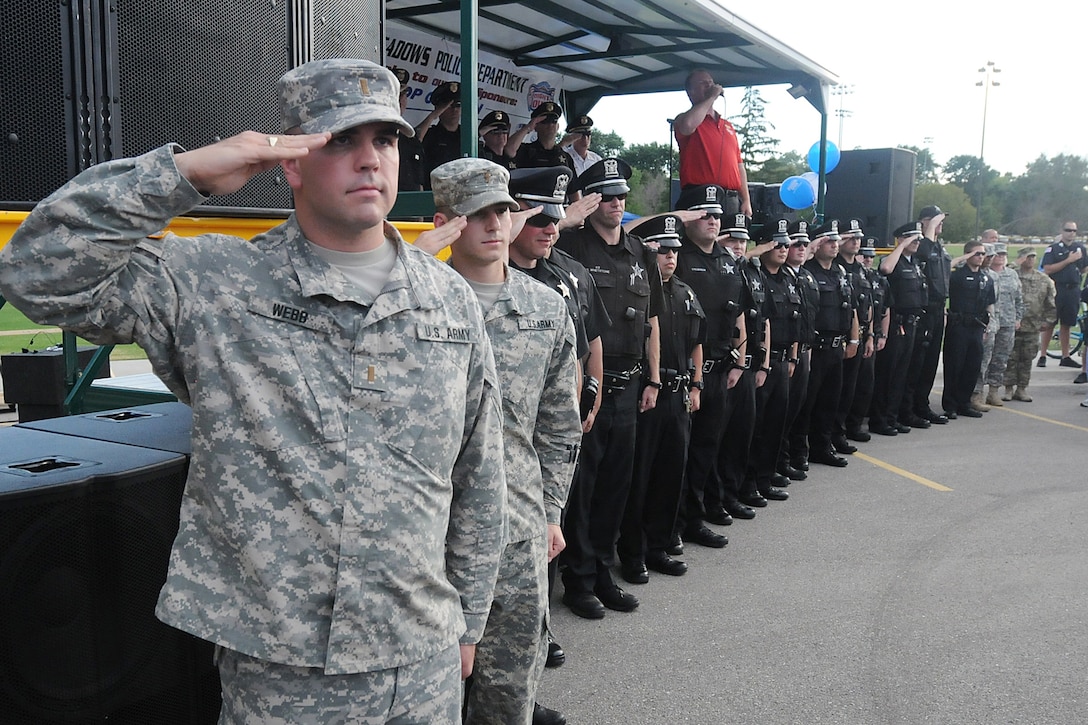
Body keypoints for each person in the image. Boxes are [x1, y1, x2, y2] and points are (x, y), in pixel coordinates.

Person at [0, 59, 507, 723]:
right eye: (340, 140)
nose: (369, 160)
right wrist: (183, 174)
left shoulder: (447, 300)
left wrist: (468, 622)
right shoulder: (216, 281)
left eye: (383, 139)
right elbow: (36, 272)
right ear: (290, 162)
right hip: (283, 677)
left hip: (423, 665)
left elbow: (479, 472)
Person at [431, 158, 582, 725]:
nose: (495, 225)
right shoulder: (419, 301)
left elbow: (558, 423)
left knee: (510, 688)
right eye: (478, 214)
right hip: (431, 532)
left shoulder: (545, 308)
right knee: (431, 691)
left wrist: (551, 510)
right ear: (448, 222)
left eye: (504, 211)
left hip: (517, 530)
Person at [555, 158, 662, 619]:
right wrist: (565, 217)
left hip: (631, 385)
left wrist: (655, 378)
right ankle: (577, 580)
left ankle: (601, 569)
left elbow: (653, 319)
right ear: (589, 200)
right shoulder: (570, 243)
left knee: (616, 486)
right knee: (583, 486)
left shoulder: (641, 252)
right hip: (587, 385)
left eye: (620, 196)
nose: (616, 203)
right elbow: (521, 241)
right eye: (606, 196)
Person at [618, 214, 704, 583]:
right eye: (662, 250)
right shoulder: (640, 290)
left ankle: (660, 544)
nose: (670, 257)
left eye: (674, 250)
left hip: (679, 394)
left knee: (672, 474)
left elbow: (698, 341)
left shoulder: (685, 292)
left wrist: (697, 385)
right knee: (642, 477)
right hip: (648, 394)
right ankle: (633, 552)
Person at [674, 184, 750, 536]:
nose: (713, 220)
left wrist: (739, 361)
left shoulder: (727, 262)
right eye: (703, 214)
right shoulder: (677, 258)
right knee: (677, 454)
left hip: (720, 370)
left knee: (707, 447)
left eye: (717, 214)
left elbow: (739, 314)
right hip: (685, 372)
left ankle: (695, 516)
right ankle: (671, 523)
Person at [746, 218, 802, 498]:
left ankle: (765, 478)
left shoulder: (789, 279)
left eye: (785, 244)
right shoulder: (753, 275)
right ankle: (750, 482)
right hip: (762, 363)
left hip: (782, 361)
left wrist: (792, 358)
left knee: (775, 424)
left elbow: (795, 322)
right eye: (777, 244)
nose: (783, 249)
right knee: (755, 427)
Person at [798, 220, 859, 467]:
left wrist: (853, 338)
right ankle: (800, 450)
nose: (835, 245)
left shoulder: (840, 272)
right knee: (807, 402)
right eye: (829, 241)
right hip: (816, 347)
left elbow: (852, 307)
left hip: (837, 346)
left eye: (836, 241)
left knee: (830, 401)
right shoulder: (807, 271)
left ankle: (823, 446)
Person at [870, 222, 927, 436]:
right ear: (902, 239)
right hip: (895, 323)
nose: (917, 242)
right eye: (913, 238)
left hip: (912, 323)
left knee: (902, 374)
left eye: (919, 238)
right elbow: (885, 269)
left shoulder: (915, 264)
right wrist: (901, 246)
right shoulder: (893, 259)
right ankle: (880, 418)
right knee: (888, 373)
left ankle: (892, 417)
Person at [672, 68, 752, 217]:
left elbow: (739, 166)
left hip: (730, 198)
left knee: (729, 239)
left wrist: (746, 200)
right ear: (691, 92)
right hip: (700, 195)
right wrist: (711, 97)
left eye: (711, 82)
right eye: (703, 83)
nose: (710, 86)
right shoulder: (684, 119)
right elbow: (688, 125)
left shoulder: (727, 126)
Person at [903, 205, 952, 426]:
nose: (940, 224)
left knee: (931, 361)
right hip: (923, 308)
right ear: (925, 222)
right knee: (918, 362)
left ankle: (922, 405)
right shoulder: (921, 244)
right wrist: (929, 228)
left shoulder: (938, 246)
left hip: (937, 307)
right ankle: (909, 408)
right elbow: (922, 255)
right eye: (936, 221)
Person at [831, 218, 873, 454]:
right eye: (851, 237)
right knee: (836, 391)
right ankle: (832, 435)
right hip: (841, 337)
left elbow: (867, 305)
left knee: (852, 389)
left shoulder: (860, 269)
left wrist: (868, 336)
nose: (856, 242)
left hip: (859, 336)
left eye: (858, 237)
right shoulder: (834, 266)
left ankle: (843, 431)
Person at [941, 241, 996, 418]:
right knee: (954, 366)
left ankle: (964, 403)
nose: (981, 257)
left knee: (972, 367)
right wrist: (964, 258)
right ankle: (950, 405)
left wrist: (989, 325)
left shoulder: (986, 278)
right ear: (968, 255)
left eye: (983, 254)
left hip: (977, 327)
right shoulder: (957, 276)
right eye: (977, 253)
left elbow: (989, 303)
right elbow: (945, 268)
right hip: (959, 326)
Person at [846, 240, 887, 441]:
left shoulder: (871, 277)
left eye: (871, 256)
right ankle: (841, 429)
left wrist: (871, 335)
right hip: (848, 337)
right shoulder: (845, 271)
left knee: (864, 385)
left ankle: (854, 426)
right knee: (846, 387)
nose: (868, 259)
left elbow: (871, 306)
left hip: (865, 335)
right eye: (865, 255)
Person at [1004, 247, 1056, 402]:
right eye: (1027, 257)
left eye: (1033, 257)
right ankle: (1008, 388)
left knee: (1027, 359)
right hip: (1013, 324)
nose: (1031, 260)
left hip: (1033, 325)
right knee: (1010, 358)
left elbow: (1050, 303)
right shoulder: (1012, 275)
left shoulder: (1043, 279)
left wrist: (1048, 320)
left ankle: (1022, 389)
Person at [975, 242, 1023, 408]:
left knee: (1001, 358)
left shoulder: (1012, 275)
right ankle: (977, 393)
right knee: (983, 359)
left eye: (1003, 254)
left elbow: (1019, 299)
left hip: (1007, 322)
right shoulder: (983, 274)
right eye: (996, 254)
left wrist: (1018, 317)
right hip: (990, 322)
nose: (999, 257)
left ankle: (994, 391)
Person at [1038, 221, 1087, 368]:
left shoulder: (1080, 248)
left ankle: (1065, 356)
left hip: (1072, 289)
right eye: (1068, 230)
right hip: (1056, 289)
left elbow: (1084, 268)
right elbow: (1047, 269)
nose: (1071, 233)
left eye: (1074, 230)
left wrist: (1076, 267)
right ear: (1062, 231)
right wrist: (1068, 261)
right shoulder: (1052, 249)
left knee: (1067, 323)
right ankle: (1043, 355)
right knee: (1050, 322)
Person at [389, 66, 427, 192]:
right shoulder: (377, 131)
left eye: (403, 94)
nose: (400, 100)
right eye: (396, 94)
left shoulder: (409, 134)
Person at [512, 102, 577, 171]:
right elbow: (509, 149)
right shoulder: (525, 151)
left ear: (558, 127)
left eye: (553, 121)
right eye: (545, 122)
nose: (550, 125)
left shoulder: (566, 157)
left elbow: (573, 181)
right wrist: (528, 128)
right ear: (535, 126)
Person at [420, 81, 463, 184]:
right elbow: (414, 141)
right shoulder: (429, 136)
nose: (455, 110)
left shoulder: (467, 136)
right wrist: (432, 117)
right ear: (438, 109)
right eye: (449, 106)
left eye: (458, 105)